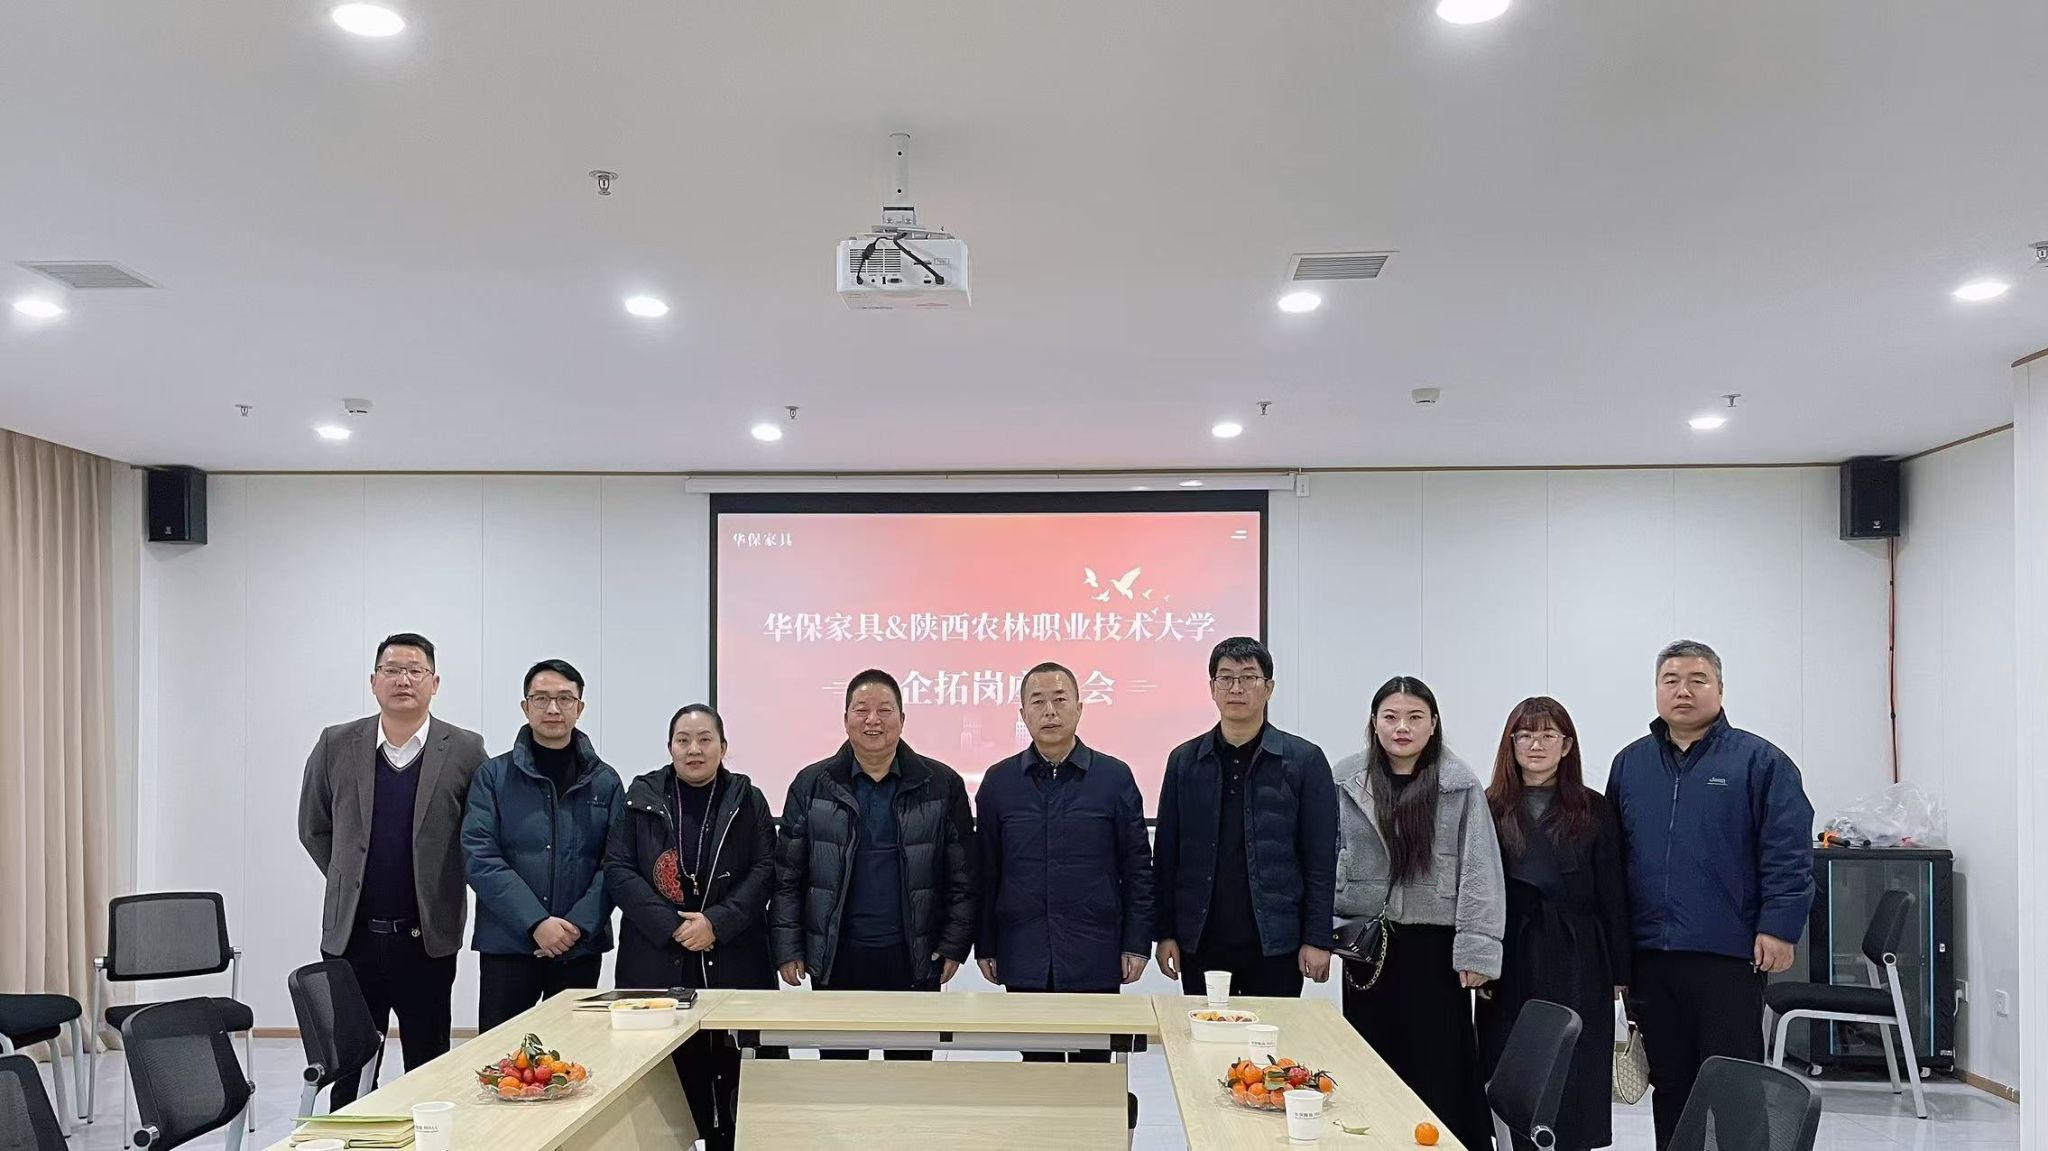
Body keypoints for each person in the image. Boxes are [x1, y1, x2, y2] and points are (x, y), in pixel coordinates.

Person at [1607, 639, 1815, 1150]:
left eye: (1697, 680)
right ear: (1657, 689)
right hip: (1651, 955)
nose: (1683, 690)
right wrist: (1616, 951)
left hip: (1728, 954)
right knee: (1670, 1084)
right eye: (1671, 680)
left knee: (1735, 1085)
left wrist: (1779, 927)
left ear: (1720, 689)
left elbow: (1788, 851)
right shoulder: (1630, 764)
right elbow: (1612, 859)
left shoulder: (1760, 762)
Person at [297, 633, 487, 1107]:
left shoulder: (465, 749)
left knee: (429, 1064)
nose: (404, 679)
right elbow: (314, 828)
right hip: (352, 938)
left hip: (426, 938)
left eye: (415, 670)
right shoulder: (336, 743)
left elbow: (478, 835)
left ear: (434, 683)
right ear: (373, 680)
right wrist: (349, 880)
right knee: (351, 1070)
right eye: (392, 669)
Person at [975, 662, 1152, 1128]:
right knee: (1039, 1074)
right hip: (1024, 949)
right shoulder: (999, 782)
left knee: (1095, 1073)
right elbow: (986, 872)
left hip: (1095, 950)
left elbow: (1137, 867)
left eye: (1059, 700)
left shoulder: (1114, 778)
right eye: (1038, 702)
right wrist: (986, 944)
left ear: (1079, 708)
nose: (1049, 711)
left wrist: (1137, 943)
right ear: (1023, 714)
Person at [1332, 676, 1502, 1151]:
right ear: (1374, 723)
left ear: (1433, 724)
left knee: (1439, 1064)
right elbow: (1323, 855)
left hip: (1435, 949)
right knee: (1370, 1059)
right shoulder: (1345, 780)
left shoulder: (1459, 783)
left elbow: (1479, 868)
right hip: (1368, 947)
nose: (1401, 727)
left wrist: (1478, 949)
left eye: (1414, 717)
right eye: (1390, 717)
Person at [771, 669, 977, 1060]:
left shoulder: (941, 783)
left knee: (911, 1075)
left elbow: (963, 876)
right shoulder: (811, 784)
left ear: (902, 718)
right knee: (843, 1075)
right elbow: (787, 878)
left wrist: (953, 944)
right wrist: (788, 947)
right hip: (837, 957)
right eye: (862, 709)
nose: (873, 720)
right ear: (845, 718)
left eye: (885, 710)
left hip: (914, 957)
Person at [605, 704, 775, 1151]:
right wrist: (674, 927)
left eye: (704, 740)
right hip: (656, 956)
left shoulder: (747, 799)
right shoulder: (640, 798)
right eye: (683, 740)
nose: (694, 749)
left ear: (723, 746)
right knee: (665, 1082)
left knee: (739, 1075)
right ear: (670, 748)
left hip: (735, 954)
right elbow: (618, 869)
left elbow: (765, 870)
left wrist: (717, 923)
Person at [1476, 697, 1630, 1151]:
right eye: (1525, 735)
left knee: (1575, 1061)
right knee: (1514, 1063)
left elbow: (1613, 894)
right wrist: (1479, 958)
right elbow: (1475, 889)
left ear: (1566, 745)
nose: (1536, 745)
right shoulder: (1488, 806)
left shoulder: (1594, 808)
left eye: (1548, 735)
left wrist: (1620, 973)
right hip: (1511, 953)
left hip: (1579, 954)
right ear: (1511, 743)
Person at [1154, 637, 1336, 999]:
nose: (1236, 688)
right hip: (1201, 939)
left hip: (1276, 941)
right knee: (1205, 1031)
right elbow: (1167, 854)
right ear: (1212, 688)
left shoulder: (1304, 761)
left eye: (1249, 677)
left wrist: (1317, 938)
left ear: (1269, 688)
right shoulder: (1184, 761)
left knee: (1272, 1035)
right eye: (1226, 678)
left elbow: (1320, 858)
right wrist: (1165, 933)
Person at [461, 659, 624, 1032]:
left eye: (565, 699)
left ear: (580, 707)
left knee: (573, 1053)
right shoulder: (493, 776)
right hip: (508, 944)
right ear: (525, 706)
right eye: (541, 698)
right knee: (501, 1053)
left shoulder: (605, 781)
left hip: (578, 947)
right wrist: (535, 922)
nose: (553, 708)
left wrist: (576, 926)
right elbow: (479, 856)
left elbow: (616, 863)